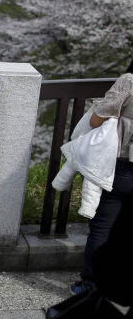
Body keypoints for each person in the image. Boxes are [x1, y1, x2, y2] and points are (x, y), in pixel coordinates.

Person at [70, 67, 133, 296]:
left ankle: (90, 287)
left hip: (123, 164)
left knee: (102, 228)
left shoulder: (128, 81)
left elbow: (98, 119)